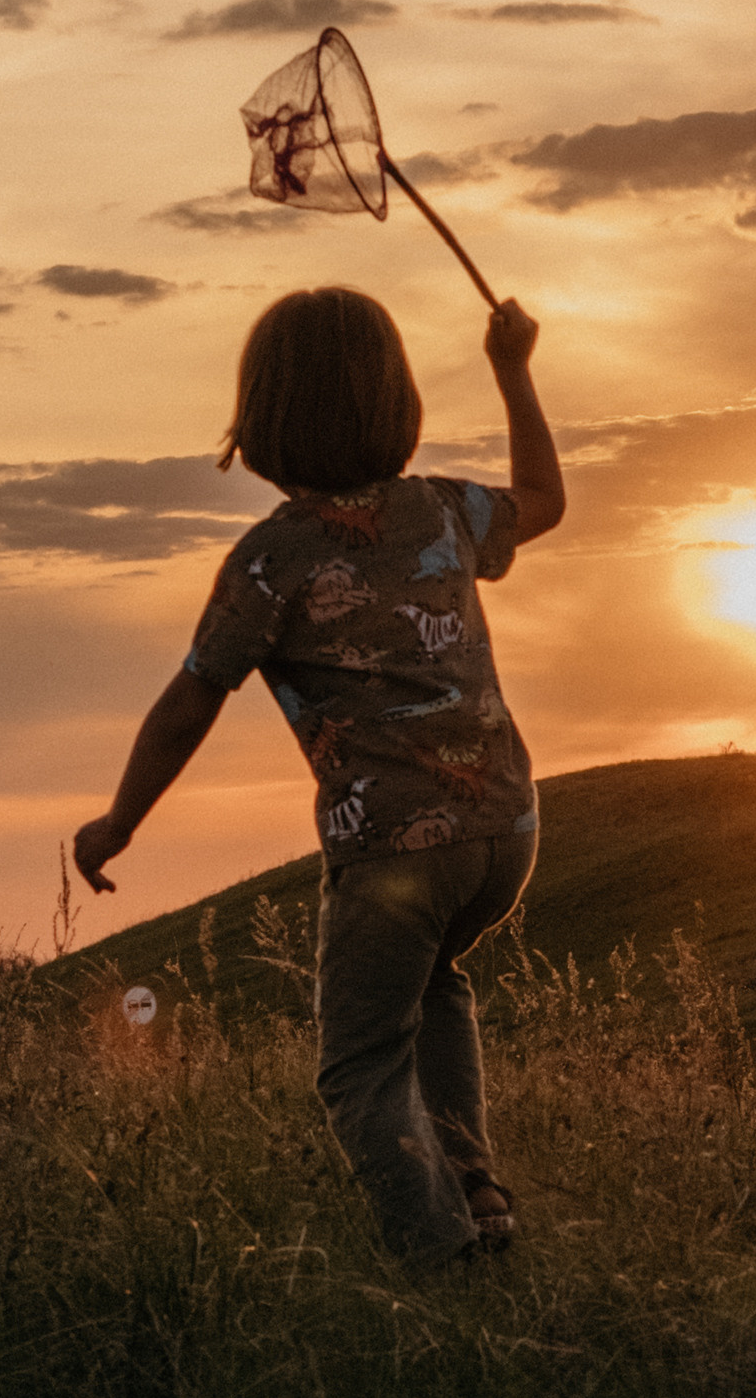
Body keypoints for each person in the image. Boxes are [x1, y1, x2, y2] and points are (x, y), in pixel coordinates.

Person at [73, 284, 564, 1268]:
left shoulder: (273, 561)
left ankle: (443, 1259)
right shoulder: (444, 511)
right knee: (432, 990)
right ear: (400, 400)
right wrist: (515, 372)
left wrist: (119, 820)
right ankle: (479, 1196)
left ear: (262, 422)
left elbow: (190, 699)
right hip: (506, 830)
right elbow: (546, 503)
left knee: (356, 1071)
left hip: (394, 848)